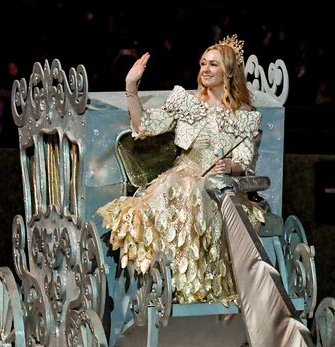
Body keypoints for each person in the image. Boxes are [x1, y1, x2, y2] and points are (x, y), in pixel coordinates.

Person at [96, 36, 265, 305]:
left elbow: (244, 160)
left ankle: (205, 286)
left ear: (229, 72)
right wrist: (131, 88)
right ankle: (173, 282)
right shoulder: (187, 103)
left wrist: (229, 166)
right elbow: (145, 125)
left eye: (213, 64)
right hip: (183, 175)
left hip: (219, 184)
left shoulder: (244, 115)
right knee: (185, 189)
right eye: (202, 64)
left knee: (210, 196)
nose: (205, 69)